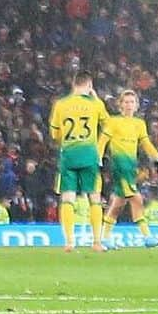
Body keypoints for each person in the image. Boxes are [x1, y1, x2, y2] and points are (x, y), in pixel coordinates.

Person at [49, 71, 110, 252]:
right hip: (89, 154)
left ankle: (69, 242)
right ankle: (97, 242)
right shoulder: (95, 104)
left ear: (73, 84)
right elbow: (108, 126)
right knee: (94, 198)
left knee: (67, 198)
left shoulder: (60, 104)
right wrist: (97, 100)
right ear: (89, 85)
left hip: (68, 154)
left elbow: (54, 134)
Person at [99, 90, 158, 249]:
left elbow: (145, 144)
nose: (129, 105)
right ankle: (147, 236)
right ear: (120, 104)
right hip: (119, 166)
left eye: (132, 102)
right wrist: (98, 159)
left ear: (136, 105)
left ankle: (104, 237)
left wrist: (157, 158)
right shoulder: (113, 122)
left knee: (118, 203)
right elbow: (102, 141)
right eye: (126, 102)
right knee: (136, 199)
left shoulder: (139, 124)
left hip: (131, 166)